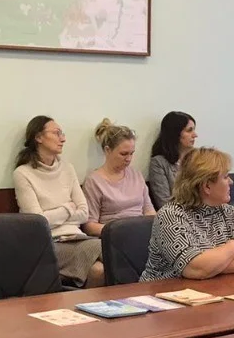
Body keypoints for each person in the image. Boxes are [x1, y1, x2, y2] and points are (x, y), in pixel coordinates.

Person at [140, 147, 234, 281]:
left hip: (211, 288)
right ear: (207, 186)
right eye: (225, 177)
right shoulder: (170, 216)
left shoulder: (227, 211)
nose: (231, 182)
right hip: (164, 291)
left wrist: (211, 267)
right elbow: (195, 269)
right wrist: (233, 247)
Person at [13, 117, 104, 287]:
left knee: (105, 264)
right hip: (50, 243)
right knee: (106, 255)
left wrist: (55, 215)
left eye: (62, 133)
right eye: (57, 133)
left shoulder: (67, 168)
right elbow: (37, 222)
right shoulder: (23, 173)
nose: (63, 139)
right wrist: (68, 208)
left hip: (78, 237)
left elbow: (84, 213)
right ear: (38, 137)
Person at [81, 119, 154, 236]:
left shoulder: (136, 175)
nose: (129, 159)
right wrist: (120, 232)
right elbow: (89, 226)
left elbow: (149, 210)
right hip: (115, 236)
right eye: (124, 154)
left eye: (132, 153)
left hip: (142, 233)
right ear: (107, 150)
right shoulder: (94, 181)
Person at [147, 110, 198, 208]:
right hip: (176, 215)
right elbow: (164, 203)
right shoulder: (159, 163)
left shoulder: (198, 158)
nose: (195, 135)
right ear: (175, 133)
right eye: (189, 130)